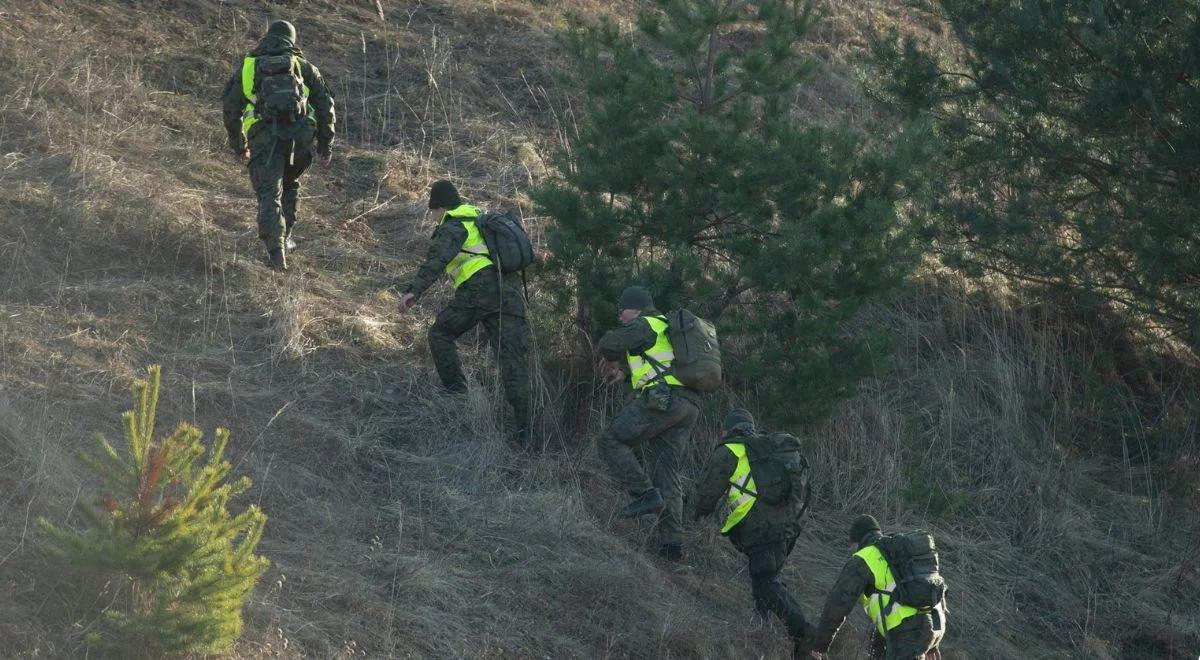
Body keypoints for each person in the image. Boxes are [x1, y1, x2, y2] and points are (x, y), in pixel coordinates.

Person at [398, 181, 531, 443]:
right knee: (513, 361)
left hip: (479, 291)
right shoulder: (478, 219)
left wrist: (413, 291)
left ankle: (457, 396)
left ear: (439, 207)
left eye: (433, 211)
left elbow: (437, 261)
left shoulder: (453, 224)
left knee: (440, 334)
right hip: (510, 294)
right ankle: (526, 432)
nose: (433, 217)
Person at [689, 409, 813, 653]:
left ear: (727, 430)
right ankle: (762, 632)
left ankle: (805, 635)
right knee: (764, 581)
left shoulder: (730, 451)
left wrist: (693, 516)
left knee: (765, 582)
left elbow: (706, 496)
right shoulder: (769, 450)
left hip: (762, 529)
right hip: (790, 527)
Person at [595, 285, 700, 561]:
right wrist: (627, 377)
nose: (620, 315)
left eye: (623, 310)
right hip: (687, 405)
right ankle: (672, 545)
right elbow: (660, 365)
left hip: (663, 399)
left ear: (637, 308)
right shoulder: (665, 327)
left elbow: (609, 343)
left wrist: (611, 360)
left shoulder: (645, 323)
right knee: (667, 473)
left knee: (610, 440)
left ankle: (644, 494)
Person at [222, 20, 335, 271]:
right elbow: (326, 104)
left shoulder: (249, 66)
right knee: (290, 184)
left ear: (266, 37)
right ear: (292, 40)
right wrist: (325, 145)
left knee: (268, 194)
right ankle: (286, 239)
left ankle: (276, 254)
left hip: (263, 138)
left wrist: (239, 145)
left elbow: (230, 109)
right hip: (300, 139)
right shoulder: (303, 66)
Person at [801, 515, 947, 660]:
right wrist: (931, 641)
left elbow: (838, 604)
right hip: (934, 625)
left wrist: (819, 645)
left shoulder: (864, 557)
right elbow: (927, 587)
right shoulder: (895, 555)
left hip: (907, 633)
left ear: (857, 541)